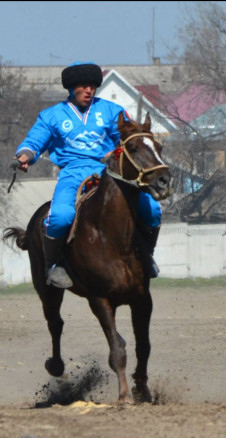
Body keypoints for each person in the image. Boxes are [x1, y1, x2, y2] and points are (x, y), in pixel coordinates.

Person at [14, 61, 162, 289]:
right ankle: (53, 266)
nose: (88, 91)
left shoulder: (112, 112)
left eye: (92, 86)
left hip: (110, 173)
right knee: (60, 217)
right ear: (71, 88)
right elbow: (34, 142)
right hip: (73, 173)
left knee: (152, 209)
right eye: (83, 86)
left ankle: (146, 255)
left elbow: (128, 139)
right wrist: (25, 156)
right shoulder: (51, 116)